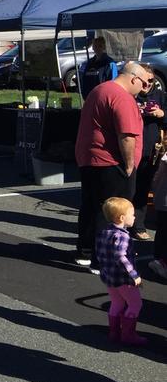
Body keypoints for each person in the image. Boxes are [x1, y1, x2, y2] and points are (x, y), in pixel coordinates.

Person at [74, 61, 153, 266]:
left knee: (91, 206)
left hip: (90, 158)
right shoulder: (122, 97)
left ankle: (85, 251)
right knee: (113, 212)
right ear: (134, 78)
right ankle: (103, 260)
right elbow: (126, 136)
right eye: (145, 83)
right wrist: (129, 165)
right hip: (111, 161)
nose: (146, 88)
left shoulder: (100, 89)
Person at [95, 197, 146, 346]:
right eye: (132, 214)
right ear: (122, 217)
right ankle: (128, 334)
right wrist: (134, 275)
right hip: (124, 279)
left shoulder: (104, 232)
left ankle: (114, 332)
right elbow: (120, 256)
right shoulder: (123, 236)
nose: (135, 216)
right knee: (135, 304)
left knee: (116, 302)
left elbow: (102, 253)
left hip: (109, 277)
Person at [133, 75, 165, 239]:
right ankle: (120, 223)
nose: (147, 84)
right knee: (127, 188)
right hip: (129, 147)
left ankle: (138, 226)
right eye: (144, 81)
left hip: (150, 150)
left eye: (151, 81)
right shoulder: (130, 94)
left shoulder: (160, 96)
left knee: (143, 188)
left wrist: (161, 114)